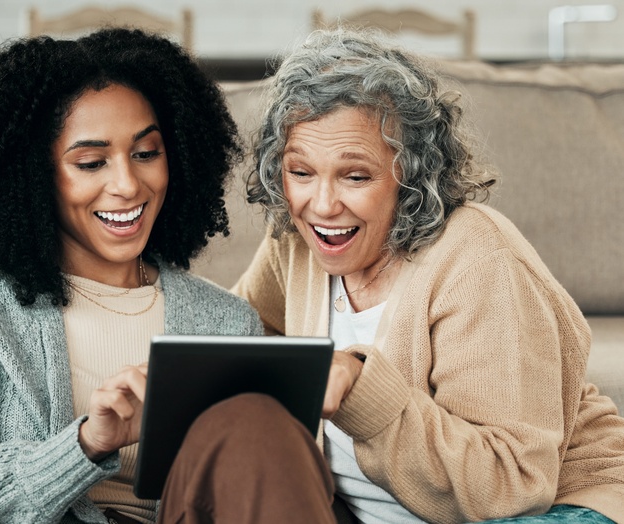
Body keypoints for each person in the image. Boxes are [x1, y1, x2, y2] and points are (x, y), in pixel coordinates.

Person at [0, 29, 337, 524]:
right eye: (91, 162)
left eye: (146, 153)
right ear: (33, 176)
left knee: (260, 423)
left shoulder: (224, 322)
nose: (127, 184)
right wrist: (84, 445)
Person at [234, 28, 624, 524]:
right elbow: (233, 334)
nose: (323, 205)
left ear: (411, 174)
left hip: (555, 506)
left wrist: (362, 391)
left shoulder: (480, 262)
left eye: (355, 176)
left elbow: (509, 488)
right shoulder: (296, 244)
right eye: (301, 172)